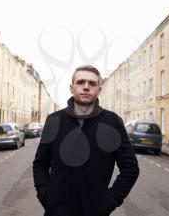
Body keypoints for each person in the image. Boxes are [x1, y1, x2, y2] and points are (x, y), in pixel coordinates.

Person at [33, 65, 139, 216]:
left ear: (99, 90)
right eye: (81, 82)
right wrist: (46, 196)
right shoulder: (54, 120)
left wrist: (109, 202)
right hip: (56, 211)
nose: (86, 87)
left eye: (92, 83)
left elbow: (130, 168)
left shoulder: (112, 122)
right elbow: (40, 164)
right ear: (71, 88)